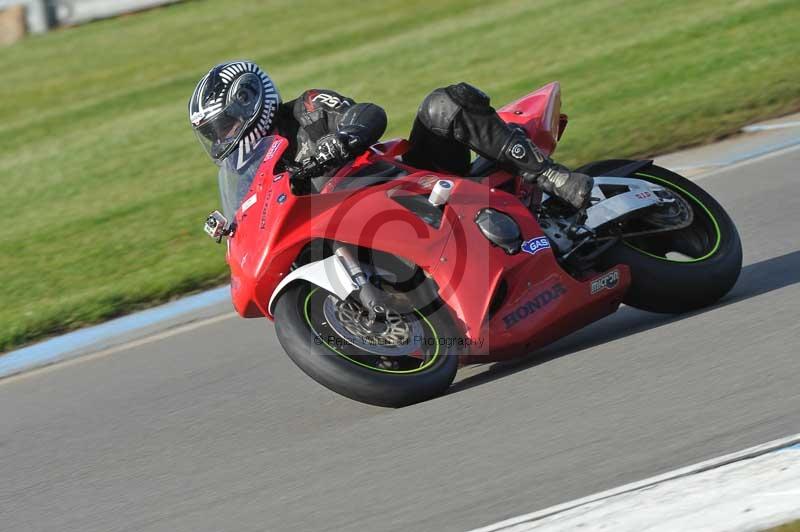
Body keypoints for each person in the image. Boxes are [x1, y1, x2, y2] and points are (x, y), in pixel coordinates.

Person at [189, 60, 593, 209]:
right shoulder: (248, 170)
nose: (222, 137)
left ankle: (552, 176)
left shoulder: (308, 107)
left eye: (223, 126)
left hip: (414, 184)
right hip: (357, 224)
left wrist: (342, 139)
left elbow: (367, 114)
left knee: (442, 103)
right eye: (214, 133)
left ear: (249, 103)